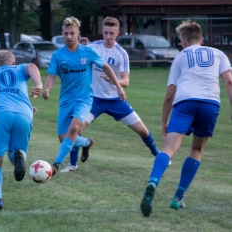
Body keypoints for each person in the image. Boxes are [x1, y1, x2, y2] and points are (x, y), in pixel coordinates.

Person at [140, 20, 232, 217]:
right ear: (201, 38)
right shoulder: (219, 54)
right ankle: (177, 197)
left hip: (185, 103)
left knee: (170, 148)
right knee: (197, 149)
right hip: (209, 103)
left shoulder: (181, 56)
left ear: (183, 40)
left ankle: (154, 181)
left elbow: (169, 94)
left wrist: (164, 122)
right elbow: (229, 81)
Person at [60, 16, 166, 173]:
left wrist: (114, 81)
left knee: (143, 131)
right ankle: (73, 164)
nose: (108, 36)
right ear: (102, 32)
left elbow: (126, 81)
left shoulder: (121, 54)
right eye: (105, 33)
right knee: (76, 129)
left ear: (118, 33)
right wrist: (79, 45)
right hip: (93, 100)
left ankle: (158, 155)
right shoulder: (93, 47)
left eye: (112, 33)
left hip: (116, 101)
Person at [42, 16, 126, 176]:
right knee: (64, 138)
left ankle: (56, 165)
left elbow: (107, 67)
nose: (68, 37)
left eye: (71, 33)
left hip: (84, 99)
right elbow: (51, 76)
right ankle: (87, 142)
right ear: (62, 33)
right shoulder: (58, 55)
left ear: (78, 34)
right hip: (66, 100)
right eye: (66, 33)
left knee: (74, 128)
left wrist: (119, 87)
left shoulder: (88, 52)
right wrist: (47, 90)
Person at [0, 51, 43, 211]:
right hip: (25, 113)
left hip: (2, 113)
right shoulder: (19, 68)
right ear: (13, 62)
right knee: (16, 149)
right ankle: (19, 157)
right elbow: (31, 66)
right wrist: (38, 84)